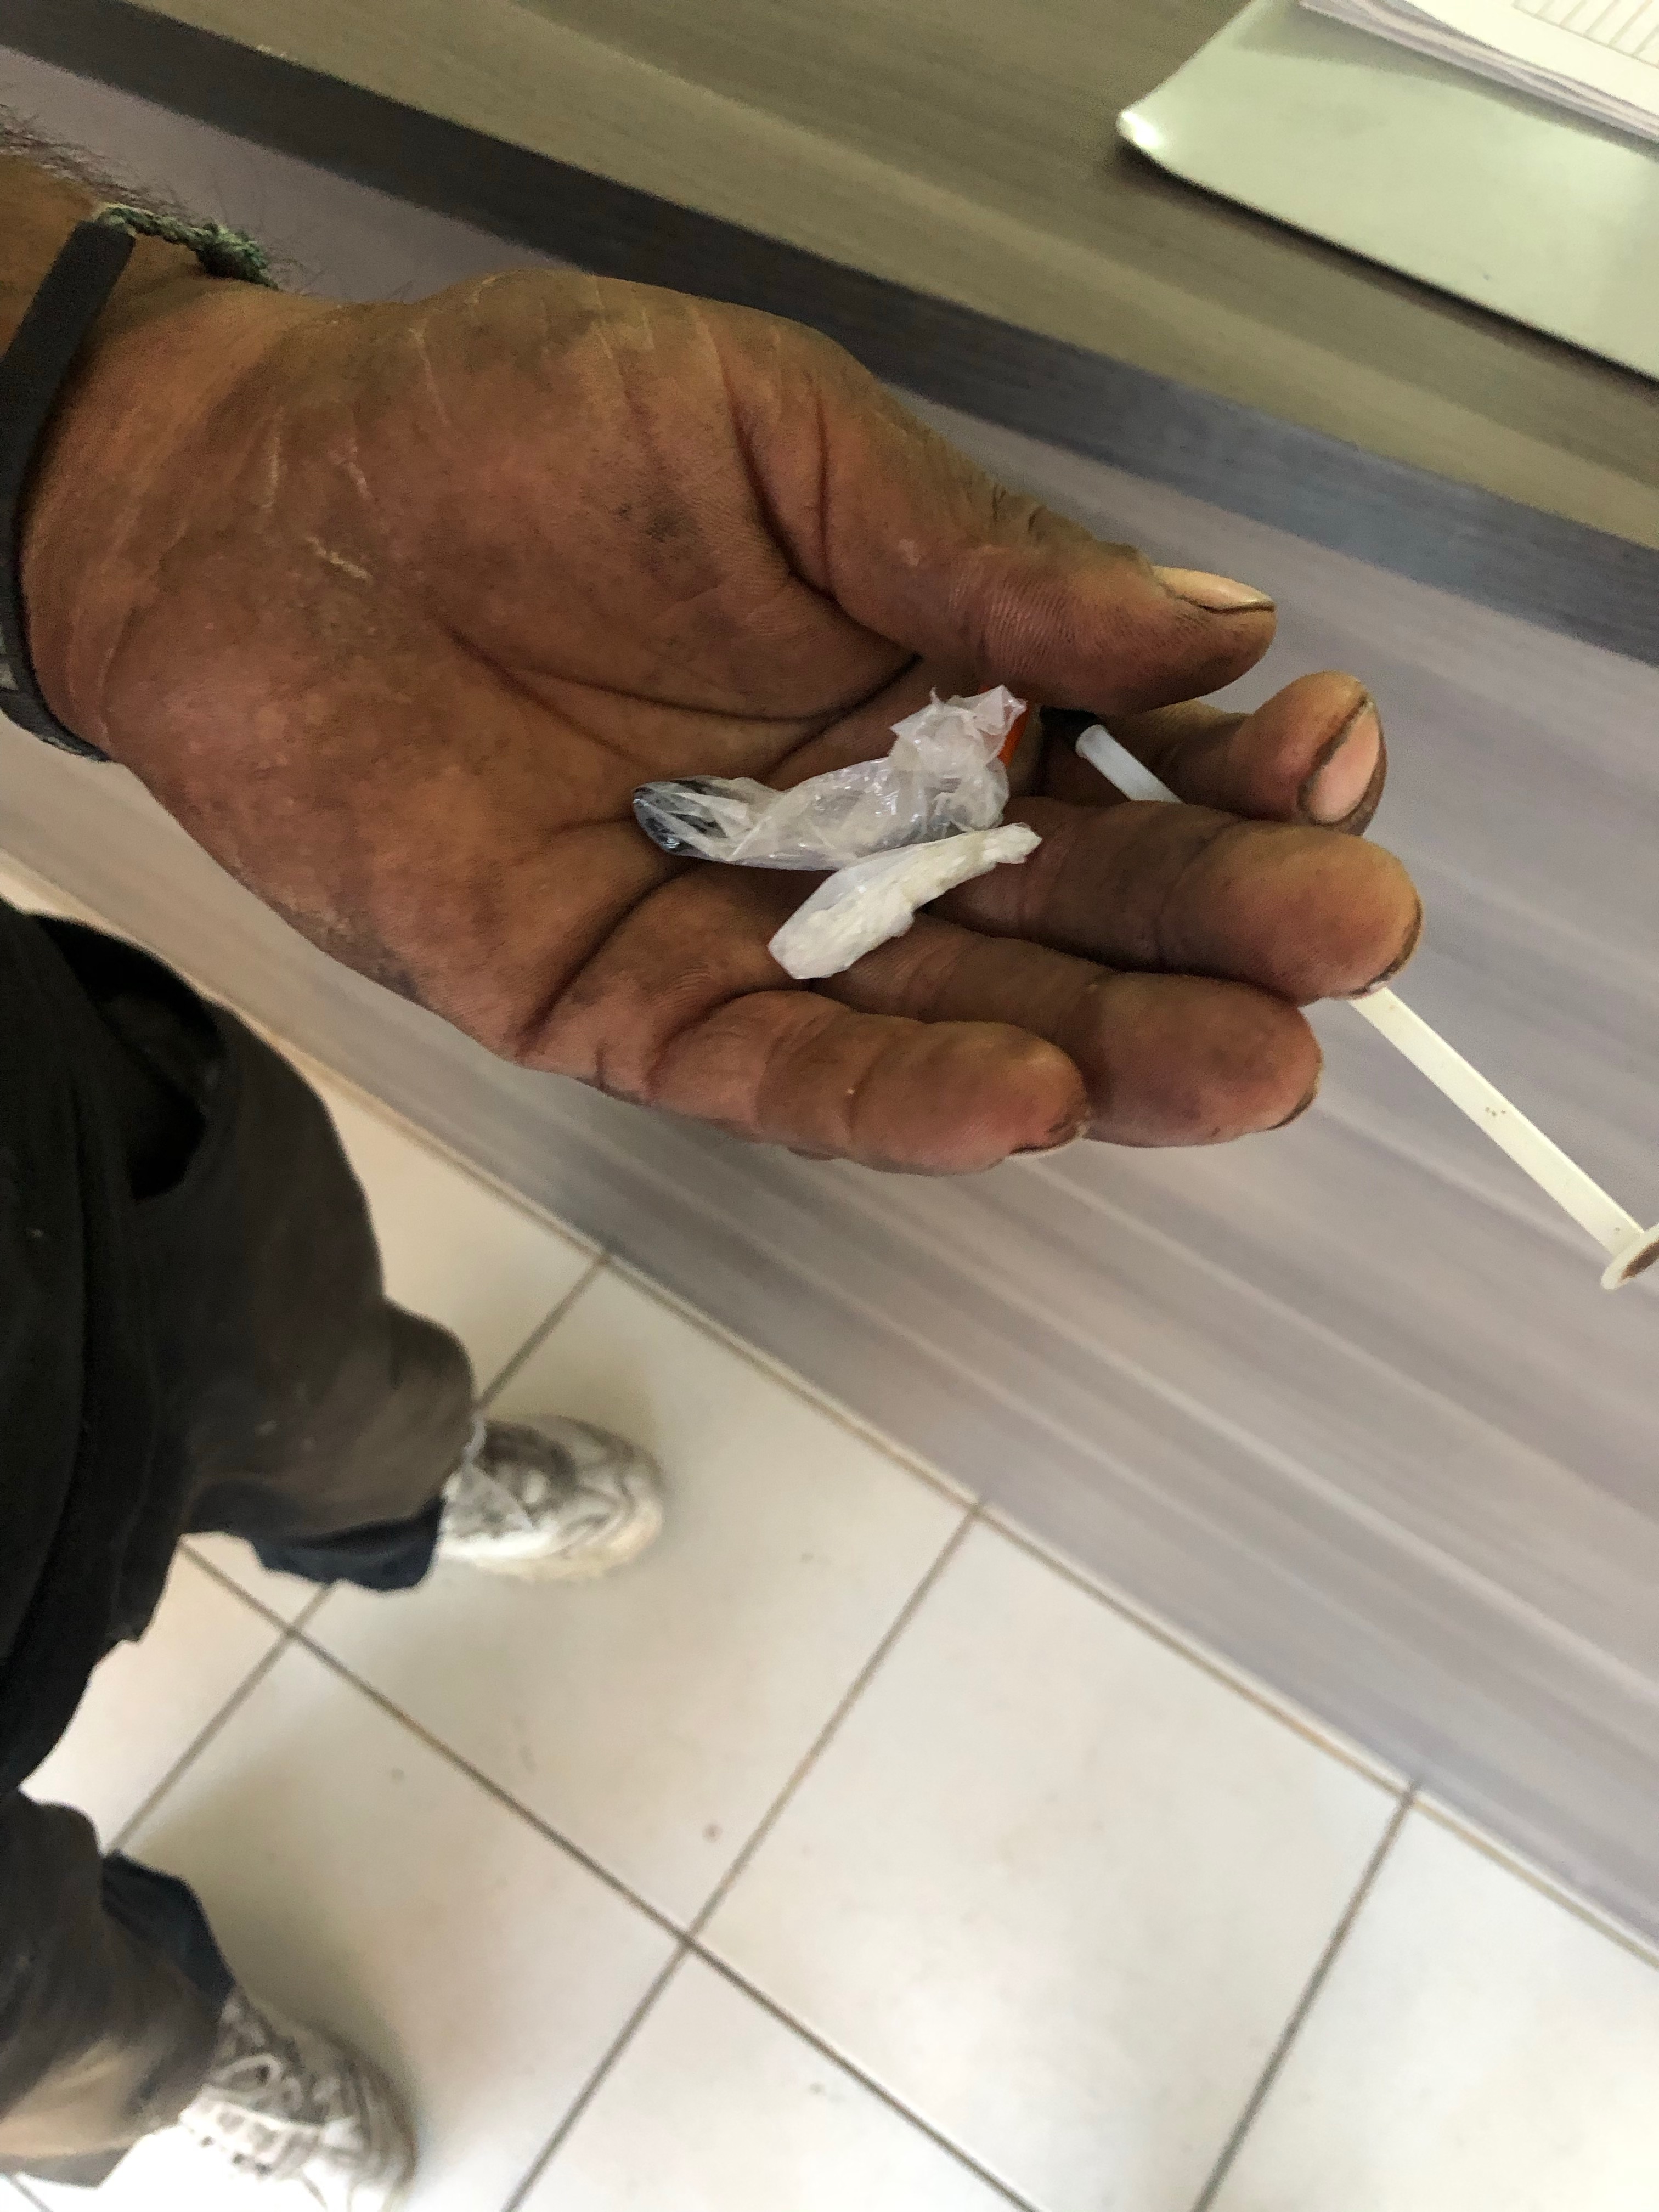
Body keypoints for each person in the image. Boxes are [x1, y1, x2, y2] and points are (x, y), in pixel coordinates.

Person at [0, 126, 1420, 2208]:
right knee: (44, 2020)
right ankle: (156, 2066)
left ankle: (395, 1478)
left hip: (55, 1169)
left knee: (308, 1356)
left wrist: (124, 445)